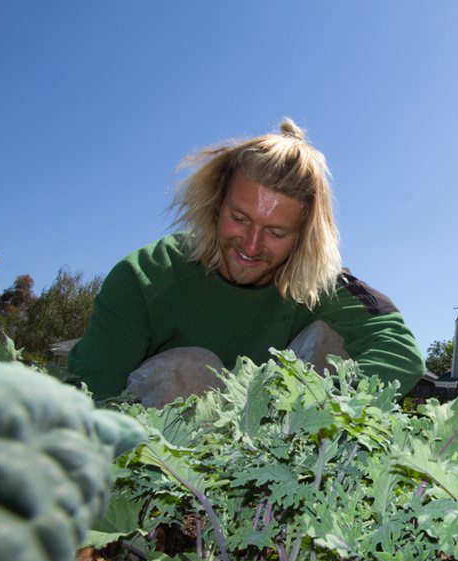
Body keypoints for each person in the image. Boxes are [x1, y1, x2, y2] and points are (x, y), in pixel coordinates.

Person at [67, 119, 426, 404]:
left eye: (276, 233)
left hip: (273, 448)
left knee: (333, 340)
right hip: (164, 463)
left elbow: (399, 351)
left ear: (303, 236)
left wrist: (326, 416)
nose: (251, 247)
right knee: (188, 370)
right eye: (239, 218)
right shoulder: (145, 277)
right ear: (216, 202)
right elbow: (89, 397)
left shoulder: (314, 279)